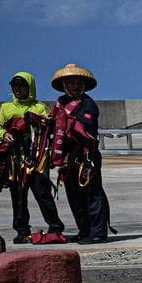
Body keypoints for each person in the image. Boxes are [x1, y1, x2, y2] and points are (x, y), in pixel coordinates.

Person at [0, 72, 68, 244]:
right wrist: (4, 135)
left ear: (30, 87)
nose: (18, 89)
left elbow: (50, 127)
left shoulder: (39, 107)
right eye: (15, 86)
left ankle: (55, 227)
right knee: (17, 197)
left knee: (43, 194)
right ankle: (21, 230)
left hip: (38, 160)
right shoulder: (5, 108)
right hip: (15, 160)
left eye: (22, 85)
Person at [50, 63, 113, 242]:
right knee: (74, 196)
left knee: (91, 194)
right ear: (64, 84)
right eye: (71, 82)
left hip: (86, 156)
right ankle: (84, 229)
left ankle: (98, 233)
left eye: (79, 83)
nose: (75, 86)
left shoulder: (88, 105)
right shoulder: (59, 104)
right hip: (67, 158)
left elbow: (83, 128)